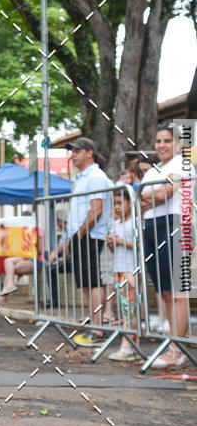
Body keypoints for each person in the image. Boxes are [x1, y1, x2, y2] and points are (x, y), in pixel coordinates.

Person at [49, 137, 113, 346]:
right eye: (72, 151)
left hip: (91, 236)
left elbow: (96, 210)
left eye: (77, 151)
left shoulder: (95, 177)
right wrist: (69, 239)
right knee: (86, 283)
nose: (73, 155)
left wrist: (79, 235)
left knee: (93, 281)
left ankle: (97, 329)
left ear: (89, 153)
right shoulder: (83, 178)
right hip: (82, 236)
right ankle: (95, 324)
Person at [140, 124, 190, 369]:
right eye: (158, 141)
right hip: (152, 226)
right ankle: (172, 342)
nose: (161, 145)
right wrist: (154, 194)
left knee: (178, 291)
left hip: (177, 224)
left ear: (178, 143)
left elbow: (164, 195)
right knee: (165, 292)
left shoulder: (183, 165)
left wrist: (153, 195)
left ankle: (177, 349)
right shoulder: (152, 171)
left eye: (167, 141)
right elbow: (140, 201)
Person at [107, 187, 139, 361]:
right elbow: (115, 249)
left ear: (129, 202)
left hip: (131, 269)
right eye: (114, 204)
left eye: (120, 203)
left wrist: (120, 241)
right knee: (126, 309)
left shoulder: (134, 221)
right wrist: (112, 244)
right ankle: (133, 346)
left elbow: (140, 246)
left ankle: (127, 347)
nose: (117, 207)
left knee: (130, 309)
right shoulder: (116, 223)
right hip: (119, 269)